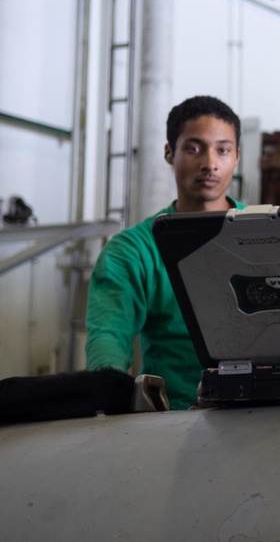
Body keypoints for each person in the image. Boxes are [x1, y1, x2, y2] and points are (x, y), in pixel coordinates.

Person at [85, 95, 244, 409]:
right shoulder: (132, 251)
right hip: (170, 422)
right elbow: (108, 337)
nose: (209, 163)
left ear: (237, 156)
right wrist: (109, 395)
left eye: (222, 150)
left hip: (260, 414)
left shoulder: (266, 234)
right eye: (194, 148)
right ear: (170, 153)